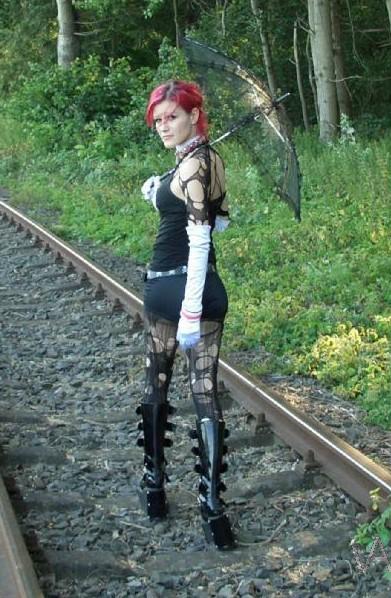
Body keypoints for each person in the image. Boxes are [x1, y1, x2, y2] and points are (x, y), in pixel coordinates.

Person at [137, 80, 234, 550]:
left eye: (172, 116)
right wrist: (161, 189)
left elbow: (199, 239)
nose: (163, 126)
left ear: (194, 115)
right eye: (158, 120)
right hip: (209, 287)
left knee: (156, 382)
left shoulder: (193, 163)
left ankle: (154, 488)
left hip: (172, 287)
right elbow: (221, 221)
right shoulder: (208, 160)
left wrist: (189, 311)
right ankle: (213, 510)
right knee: (204, 391)